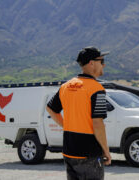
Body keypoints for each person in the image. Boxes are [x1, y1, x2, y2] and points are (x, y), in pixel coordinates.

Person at [46, 46, 111, 180]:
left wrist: (67, 126)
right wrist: (106, 150)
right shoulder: (96, 89)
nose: (104, 65)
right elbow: (98, 123)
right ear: (91, 63)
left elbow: (50, 109)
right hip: (89, 152)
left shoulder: (66, 86)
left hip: (70, 150)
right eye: (101, 61)